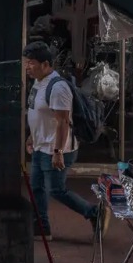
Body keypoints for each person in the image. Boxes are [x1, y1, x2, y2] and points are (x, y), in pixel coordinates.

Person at [21, 41, 102, 240]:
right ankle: (41, 227)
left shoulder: (58, 88)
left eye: (31, 63)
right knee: (37, 187)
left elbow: (63, 121)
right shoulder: (38, 83)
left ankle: (93, 212)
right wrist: (32, 137)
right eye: (26, 62)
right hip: (41, 146)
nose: (27, 67)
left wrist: (58, 152)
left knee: (56, 190)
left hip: (58, 148)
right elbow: (38, 114)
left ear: (46, 64)